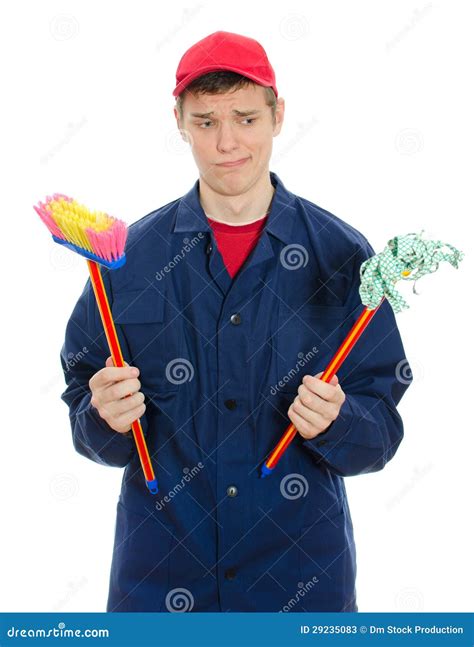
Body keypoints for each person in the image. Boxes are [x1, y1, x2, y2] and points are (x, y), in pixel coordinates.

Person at [60, 30, 413, 613]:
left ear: (278, 116)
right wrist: (103, 417)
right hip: (159, 580)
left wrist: (339, 422)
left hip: (301, 585)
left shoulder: (343, 256)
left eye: (246, 119)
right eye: (205, 122)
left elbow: (379, 429)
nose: (226, 143)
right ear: (178, 121)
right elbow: (82, 407)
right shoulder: (126, 261)